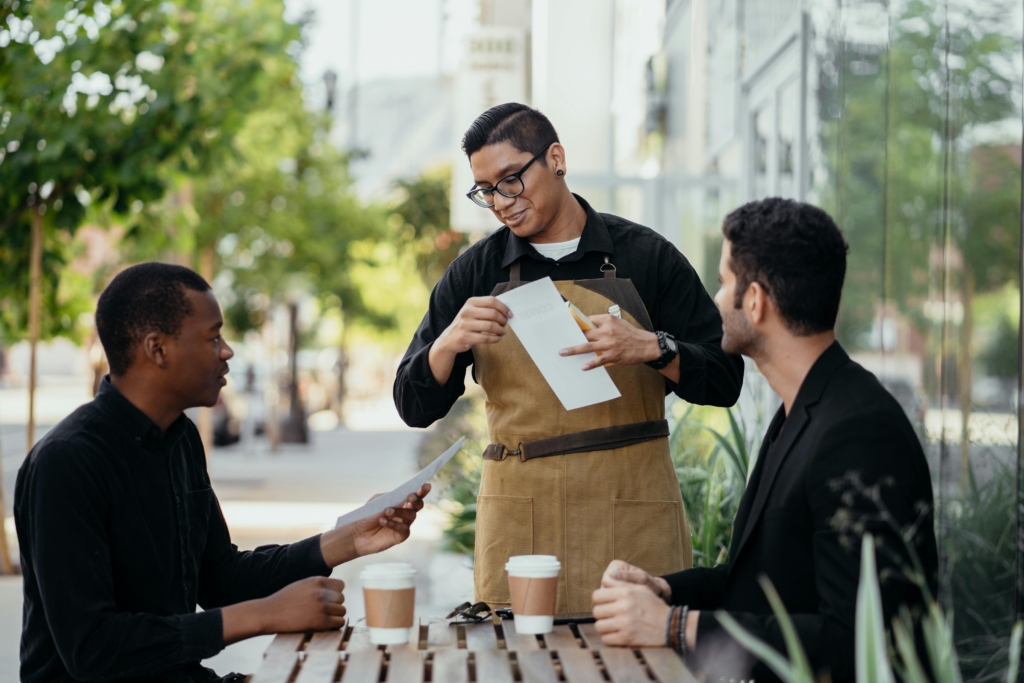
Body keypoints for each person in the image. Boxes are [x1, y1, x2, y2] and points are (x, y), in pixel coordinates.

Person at [394, 102, 744, 613]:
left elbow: (725, 381)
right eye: (486, 190)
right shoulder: (474, 272)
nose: (501, 203)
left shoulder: (647, 257)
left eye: (510, 180)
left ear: (555, 158)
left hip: (633, 512)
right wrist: (448, 343)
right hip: (520, 521)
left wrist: (652, 347)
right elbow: (412, 404)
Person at [15, 263, 430, 683]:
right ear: (157, 349)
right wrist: (265, 615)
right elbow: (93, 649)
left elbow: (220, 578)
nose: (228, 351)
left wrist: (348, 538)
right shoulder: (67, 462)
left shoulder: (180, 440)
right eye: (213, 337)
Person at [590, 198, 938, 683]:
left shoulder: (858, 433)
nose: (715, 299)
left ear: (755, 301)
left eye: (724, 282)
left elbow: (859, 642)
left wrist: (676, 626)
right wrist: (665, 590)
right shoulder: (803, 407)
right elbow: (767, 587)